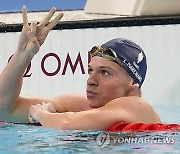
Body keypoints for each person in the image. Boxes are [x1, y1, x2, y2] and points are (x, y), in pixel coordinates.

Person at [0, 6, 160, 130]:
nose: (91, 81)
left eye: (105, 72)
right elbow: (5, 110)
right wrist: (23, 55)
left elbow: (66, 124)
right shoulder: (81, 105)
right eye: (91, 70)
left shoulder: (138, 106)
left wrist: (39, 114)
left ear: (133, 88)